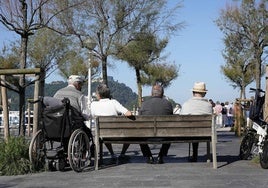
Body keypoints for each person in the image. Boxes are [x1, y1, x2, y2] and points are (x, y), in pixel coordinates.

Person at [91, 83, 132, 161]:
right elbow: (129, 113)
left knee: (104, 131)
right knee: (129, 134)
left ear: (98, 95)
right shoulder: (114, 102)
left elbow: (90, 116)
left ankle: (112, 154)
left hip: (102, 135)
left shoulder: (93, 104)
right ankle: (122, 153)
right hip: (117, 134)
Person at [139, 84, 173, 164]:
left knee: (139, 136)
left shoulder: (144, 104)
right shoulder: (168, 104)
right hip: (164, 135)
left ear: (151, 93)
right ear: (162, 93)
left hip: (147, 135)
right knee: (171, 134)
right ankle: (161, 156)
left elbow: (139, 120)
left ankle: (149, 156)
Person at [180, 82, 212, 162]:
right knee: (198, 130)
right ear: (204, 93)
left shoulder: (186, 104)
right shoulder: (209, 106)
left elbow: (181, 119)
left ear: (193, 93)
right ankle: (195, 155)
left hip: (188, 133)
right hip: (206, 133)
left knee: (193, 129)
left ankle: (194, 155)